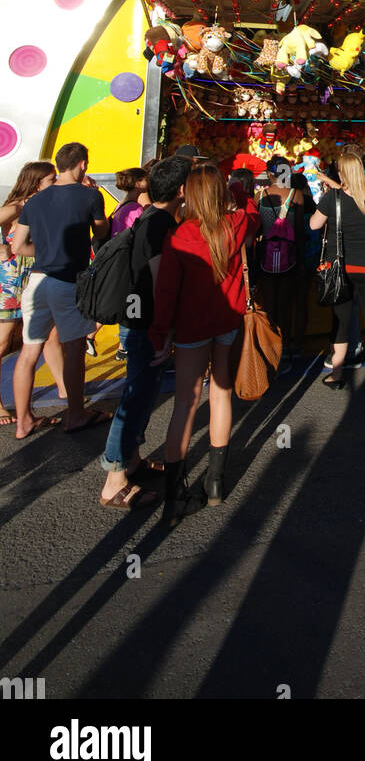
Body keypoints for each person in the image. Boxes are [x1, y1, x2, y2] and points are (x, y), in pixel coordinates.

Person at [149, 163, 259, 525]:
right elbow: (252, 214)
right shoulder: (236, 224)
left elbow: (166, 294)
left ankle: (174, 496)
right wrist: (240, 194)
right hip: (225, 322)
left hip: (191, 328)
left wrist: (158, 335)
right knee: (221, 395)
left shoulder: (180, 235)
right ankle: (214, 482)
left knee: (186, 402)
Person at [99, 157, 188, 510]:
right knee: (134, 396)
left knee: (143, 391)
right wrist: (163, 330)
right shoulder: (160, 224)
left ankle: (131, 459)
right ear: (181, 190)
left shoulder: (151, 217)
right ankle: (114, 480)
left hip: (139, 319)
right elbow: (158, 280)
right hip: (145, 323)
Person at [10, 143, 111, 438]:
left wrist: (46, 250)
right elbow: (102, 231)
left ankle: (24, 421)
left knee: (30, 351)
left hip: (37, 280)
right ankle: (76, 414)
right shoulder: (89, 194)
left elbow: (17, 246)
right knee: (75, 348)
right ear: (82, 164)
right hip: (68, 281)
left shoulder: (35, 201)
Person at [309, 149, 365, 388]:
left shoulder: (334, 199)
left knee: (341, 321)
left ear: (341, 173)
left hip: (342, 268)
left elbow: (314, 224)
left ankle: (337, 374)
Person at [0, 161, 63, 423]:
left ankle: (65, 390)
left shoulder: (45, 206)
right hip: (11, 281)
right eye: (52, 179)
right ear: (37, 183)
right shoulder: (17, 207)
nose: (56, 182)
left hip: (36, 278)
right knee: (3, 342)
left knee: (50, 335)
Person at [257, 156, 316, 367]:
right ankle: (287, 349)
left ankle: (270, 348)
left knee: (269, 305)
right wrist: (301, 261)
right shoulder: (296, 195)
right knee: (286, 305)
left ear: (270, 174)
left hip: (265, 257)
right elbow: (299, 231)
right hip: (289, 257)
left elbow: (257, 229)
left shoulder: (260, 196)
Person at [109, 168, 150, 363]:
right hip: (131, 269)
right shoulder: (135, 209)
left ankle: (126, 345)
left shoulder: (122, 204)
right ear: (139, 184)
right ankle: (128, 348)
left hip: (120, 267)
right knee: (132, 312)